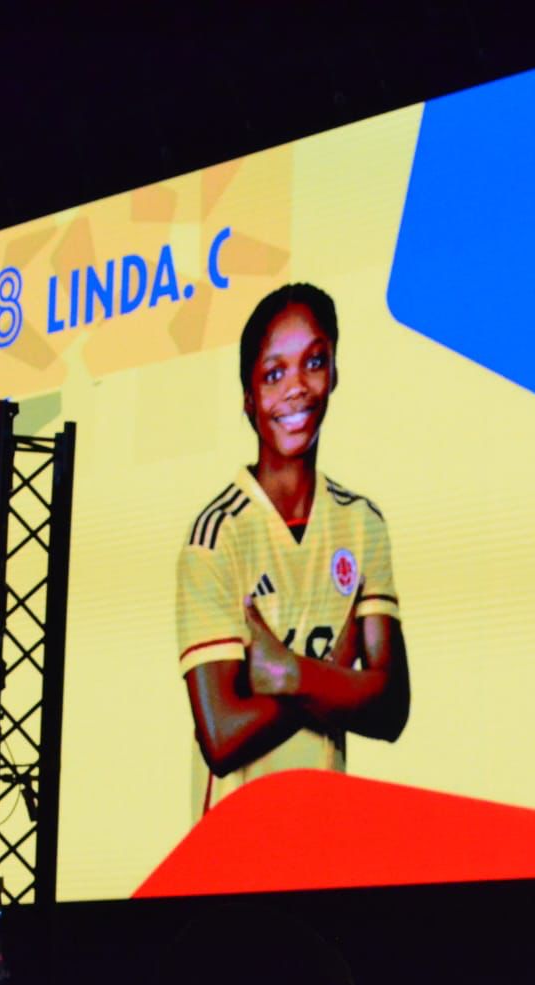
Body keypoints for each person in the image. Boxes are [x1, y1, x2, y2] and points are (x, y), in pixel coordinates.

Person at [177, 283, 409, 819]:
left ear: (334, 374)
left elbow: (390, 707)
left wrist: (290, 673)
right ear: (249, 399)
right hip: (232, 850)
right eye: (274, 373)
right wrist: (335, 676)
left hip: (323, 839)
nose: (297, 388)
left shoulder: (362, 523)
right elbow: (221, 737)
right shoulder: (216, 536)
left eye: (314, 362)